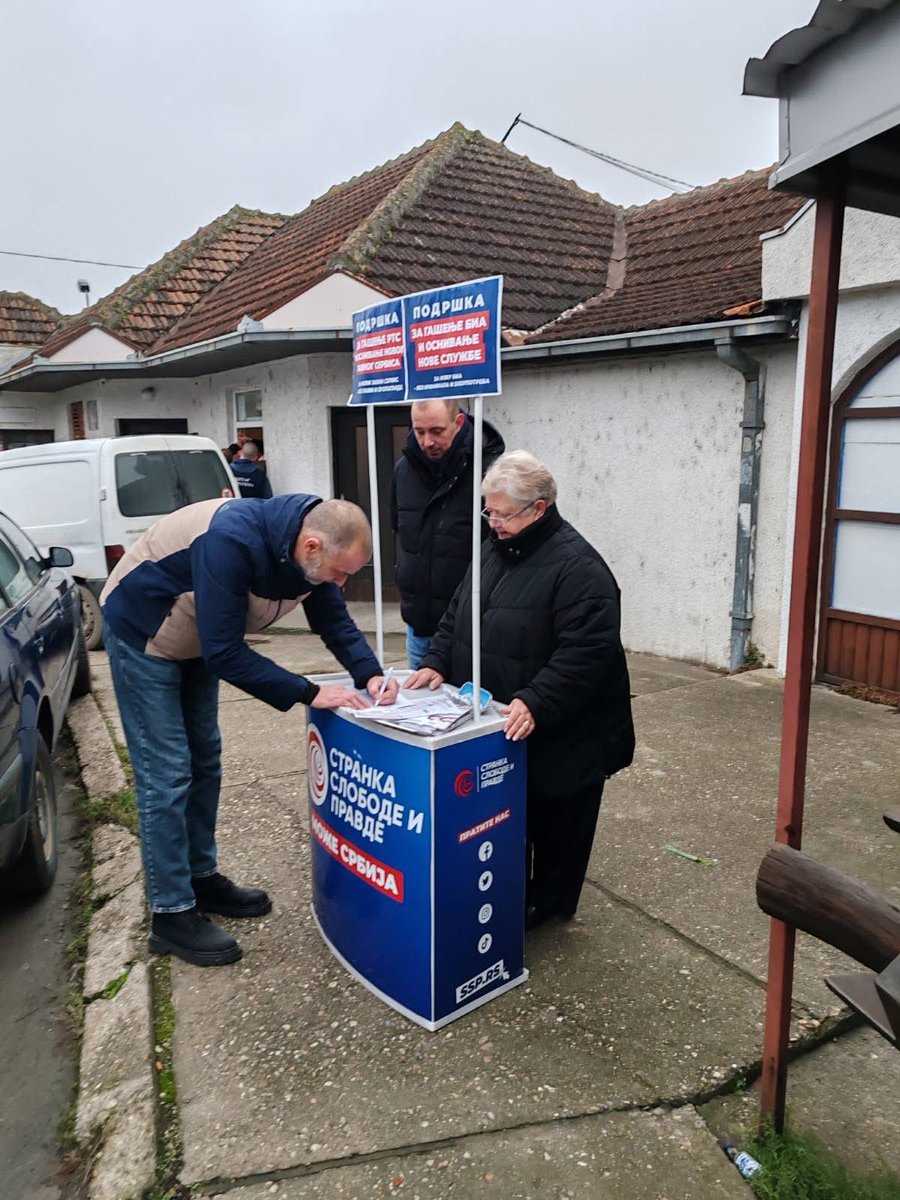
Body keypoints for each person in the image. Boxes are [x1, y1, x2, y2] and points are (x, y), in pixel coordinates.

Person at [100, 494, 399, 967]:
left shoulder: (309, 554)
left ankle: (200, 878)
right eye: (341, 573)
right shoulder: (231, 540)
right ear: (313, 546)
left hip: (195, 634)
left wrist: (370, 672)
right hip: (146, 634)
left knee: (205, 760)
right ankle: (171, 914)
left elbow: (332, 619)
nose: (341, 583)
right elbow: (226, 652)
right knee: (167, 774)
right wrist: (308, 692)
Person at [406, 451, 634, 929]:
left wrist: (536, 699)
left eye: (503, 513)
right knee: (510, 819)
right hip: (501, 722)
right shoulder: (493, 548)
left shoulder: (580, 570)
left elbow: (587, 651)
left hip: (566, 731)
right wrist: (434, 662)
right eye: (488, 511)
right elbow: (456, 615)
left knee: (558, 823)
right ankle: (510, 892)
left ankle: (547, 905)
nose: (493, 522)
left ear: (540, 508)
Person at [392, 399, 504, 669]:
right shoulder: (402, 471)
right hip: (420, 628)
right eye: (419, 431)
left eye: (437, 431)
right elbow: (399, 531)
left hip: (474, 629)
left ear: (459, 423)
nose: (427, 441)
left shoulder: (491, 472)